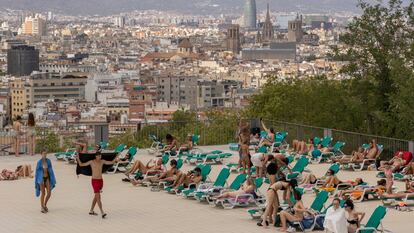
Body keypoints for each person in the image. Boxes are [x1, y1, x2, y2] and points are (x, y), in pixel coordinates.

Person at [76, 151, 119, 218]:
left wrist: (116, 156)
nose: (99, 157)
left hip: (101, 181)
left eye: (100, 156)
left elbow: (111, 162)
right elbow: (81, 164)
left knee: (96, 197)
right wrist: (78, 158)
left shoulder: (102, 161)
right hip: (94, 181)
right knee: (98, 197)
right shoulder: (91, 162)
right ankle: (102, 212)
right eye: (98, 156)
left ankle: (91, 210)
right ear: (96, 156)